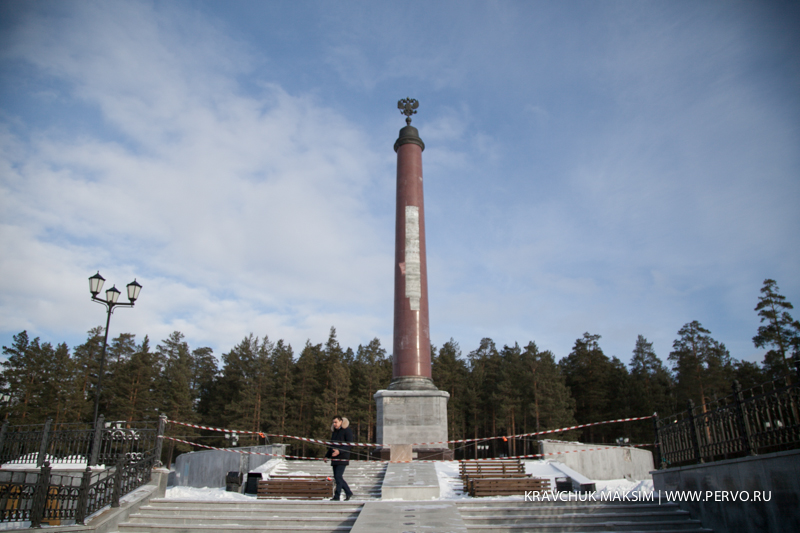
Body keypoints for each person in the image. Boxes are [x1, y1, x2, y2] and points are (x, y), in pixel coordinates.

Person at [324, 415, 354, 501]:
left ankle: (337, 496)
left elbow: (349, 445)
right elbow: (331, 445)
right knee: (338, 477)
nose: (334, 424)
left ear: (341, 422)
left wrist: (339, 451)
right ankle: (348, 492)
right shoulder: (334, 432)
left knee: (338, 476)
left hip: (342, 457)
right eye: (333, 422)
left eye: (336, 422)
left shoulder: (347, 430)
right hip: (334, 458)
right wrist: (327, 455)